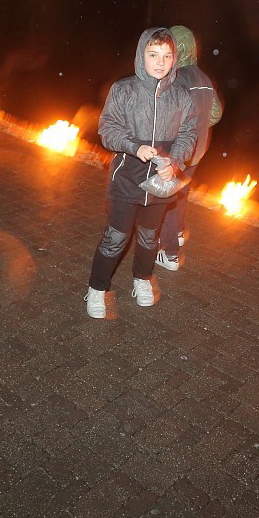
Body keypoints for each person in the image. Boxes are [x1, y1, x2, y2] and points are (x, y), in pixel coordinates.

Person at [86, 27, 199, 318]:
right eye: (153, 55)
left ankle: (142, 278)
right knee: (116, 237)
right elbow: (107, 129)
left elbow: (188, 134)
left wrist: (174, 161)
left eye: (166, 56)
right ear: (141, 56)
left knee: (150, 236)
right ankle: (97, 288)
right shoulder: (123, 89)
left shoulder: (182, 95)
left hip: (161, 182)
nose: (160, 62)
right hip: (127, 176)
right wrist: (135, 147)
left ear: (175, 59)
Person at [155, 25, 223, 272]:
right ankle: (180, 233)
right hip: (198, 150)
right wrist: (199, 125)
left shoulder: (176, 78)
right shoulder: (203, 77)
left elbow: (165, 117)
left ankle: (170, 253)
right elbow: (215, 113)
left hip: (180, 151)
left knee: (168, 200)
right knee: (181, 193)